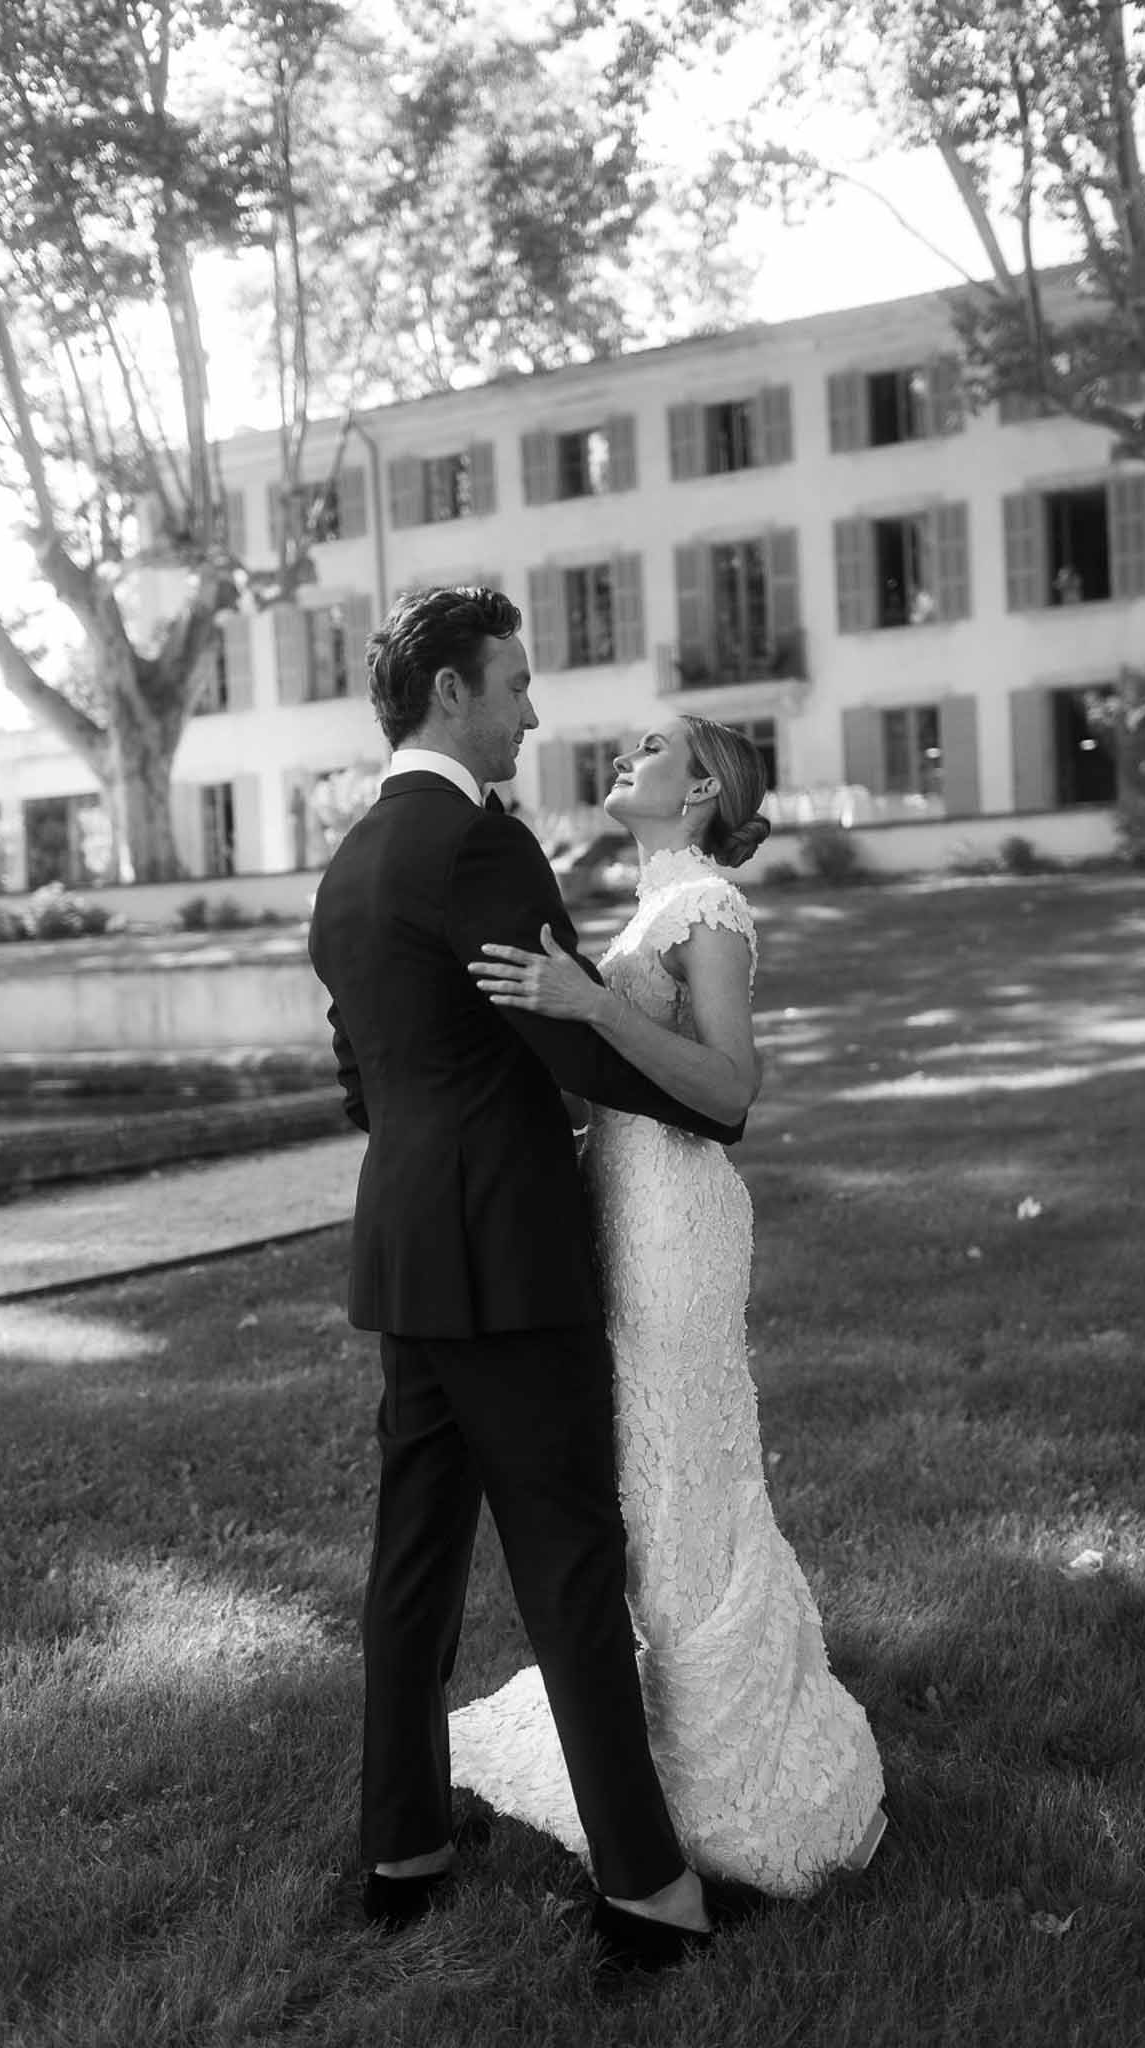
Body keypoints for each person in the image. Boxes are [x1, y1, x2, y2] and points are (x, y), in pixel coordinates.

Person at [307, 586, 747, 1971]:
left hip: (405, 1249)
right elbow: (565, 1033)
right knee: (566, 1563)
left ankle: (403, 1849)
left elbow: (360, 1073)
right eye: (512, 683)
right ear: (450, 693)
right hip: (508, 1255)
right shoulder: (480, 846)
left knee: (412, 1561)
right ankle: (648, 1892)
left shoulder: (354, 859)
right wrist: (704, 1106)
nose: (532, 710)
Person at [452, 713, 886, 1897]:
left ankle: (723, 1768)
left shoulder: (708, 907)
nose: (621, 757)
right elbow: (634, 1075)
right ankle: (638, 1744)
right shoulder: (656, 896)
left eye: (649, 748)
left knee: (679, 1470)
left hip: (678, 1225)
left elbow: (732, 1085)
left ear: (698, 786)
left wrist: (589, 1005)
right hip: (622, 1204)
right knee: (640, 1480)